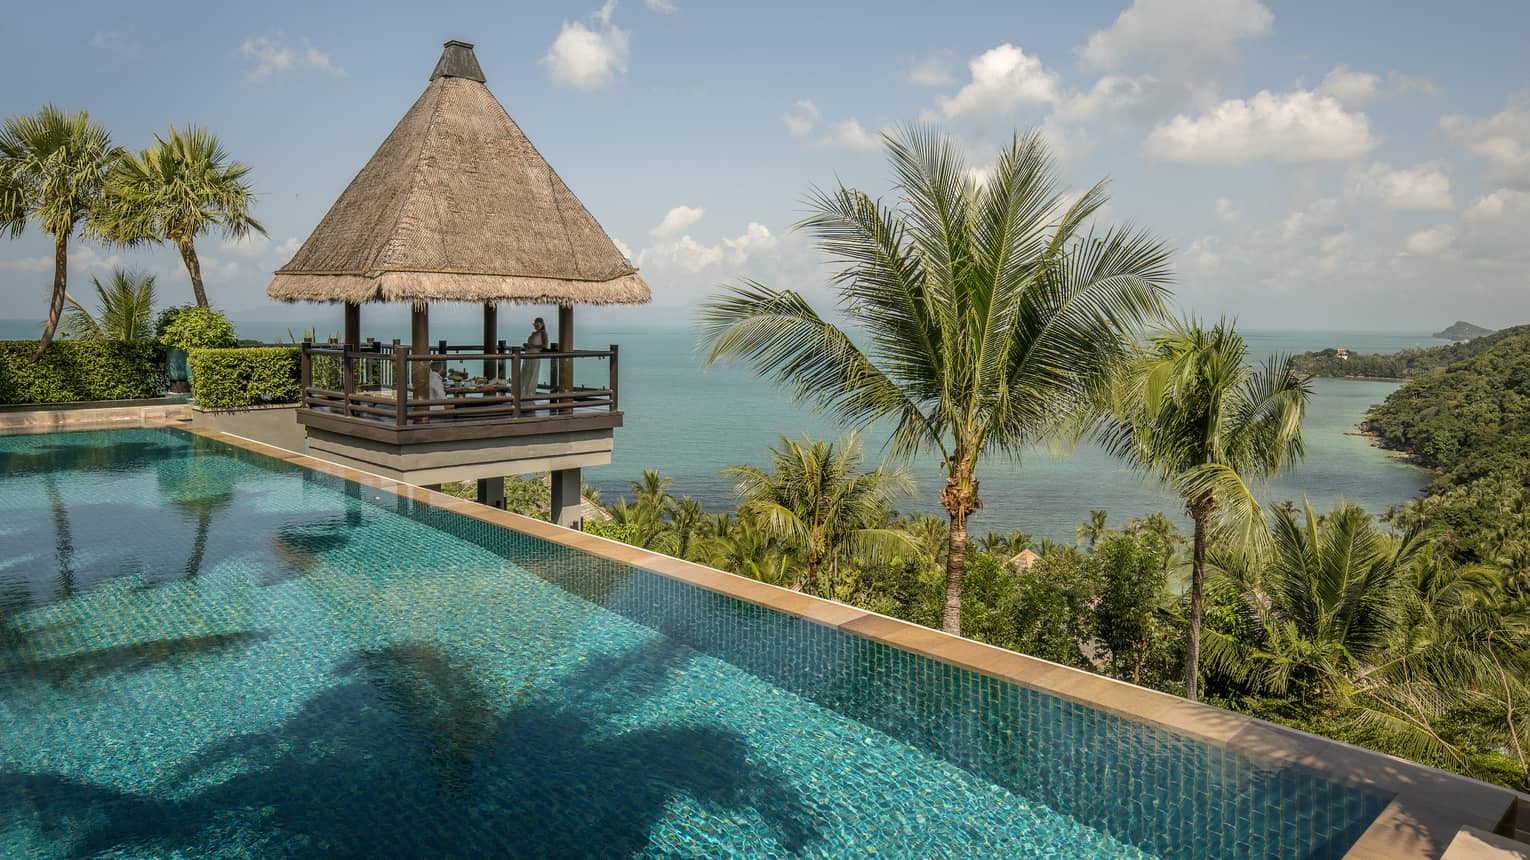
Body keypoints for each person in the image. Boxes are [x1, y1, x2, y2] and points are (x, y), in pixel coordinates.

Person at [518, 317, 548, 405]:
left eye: (537, 324)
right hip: (528, 354)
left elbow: (545, 345)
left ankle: (530, 395)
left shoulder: (543, 333)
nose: (536, 326)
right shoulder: (534, 333)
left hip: (535, 355)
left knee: (532, 374)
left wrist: (532, 346)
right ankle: (523, 394)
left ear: (542, 324)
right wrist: (527, 346)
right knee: (525, 373)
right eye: (534, 324)